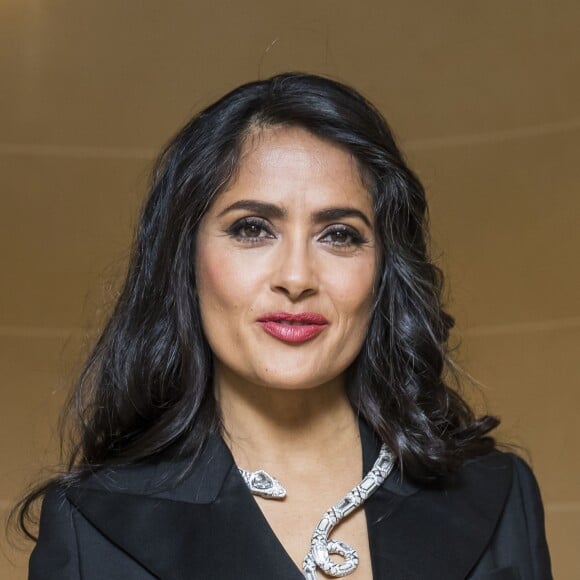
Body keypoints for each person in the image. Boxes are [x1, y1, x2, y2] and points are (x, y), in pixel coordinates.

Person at [14, 72, 551, 579]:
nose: (296, 278)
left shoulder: (499, 496)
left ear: (385, 270)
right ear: (187, 260)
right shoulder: (93, 525)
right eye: (252, 228)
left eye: (340, 234)